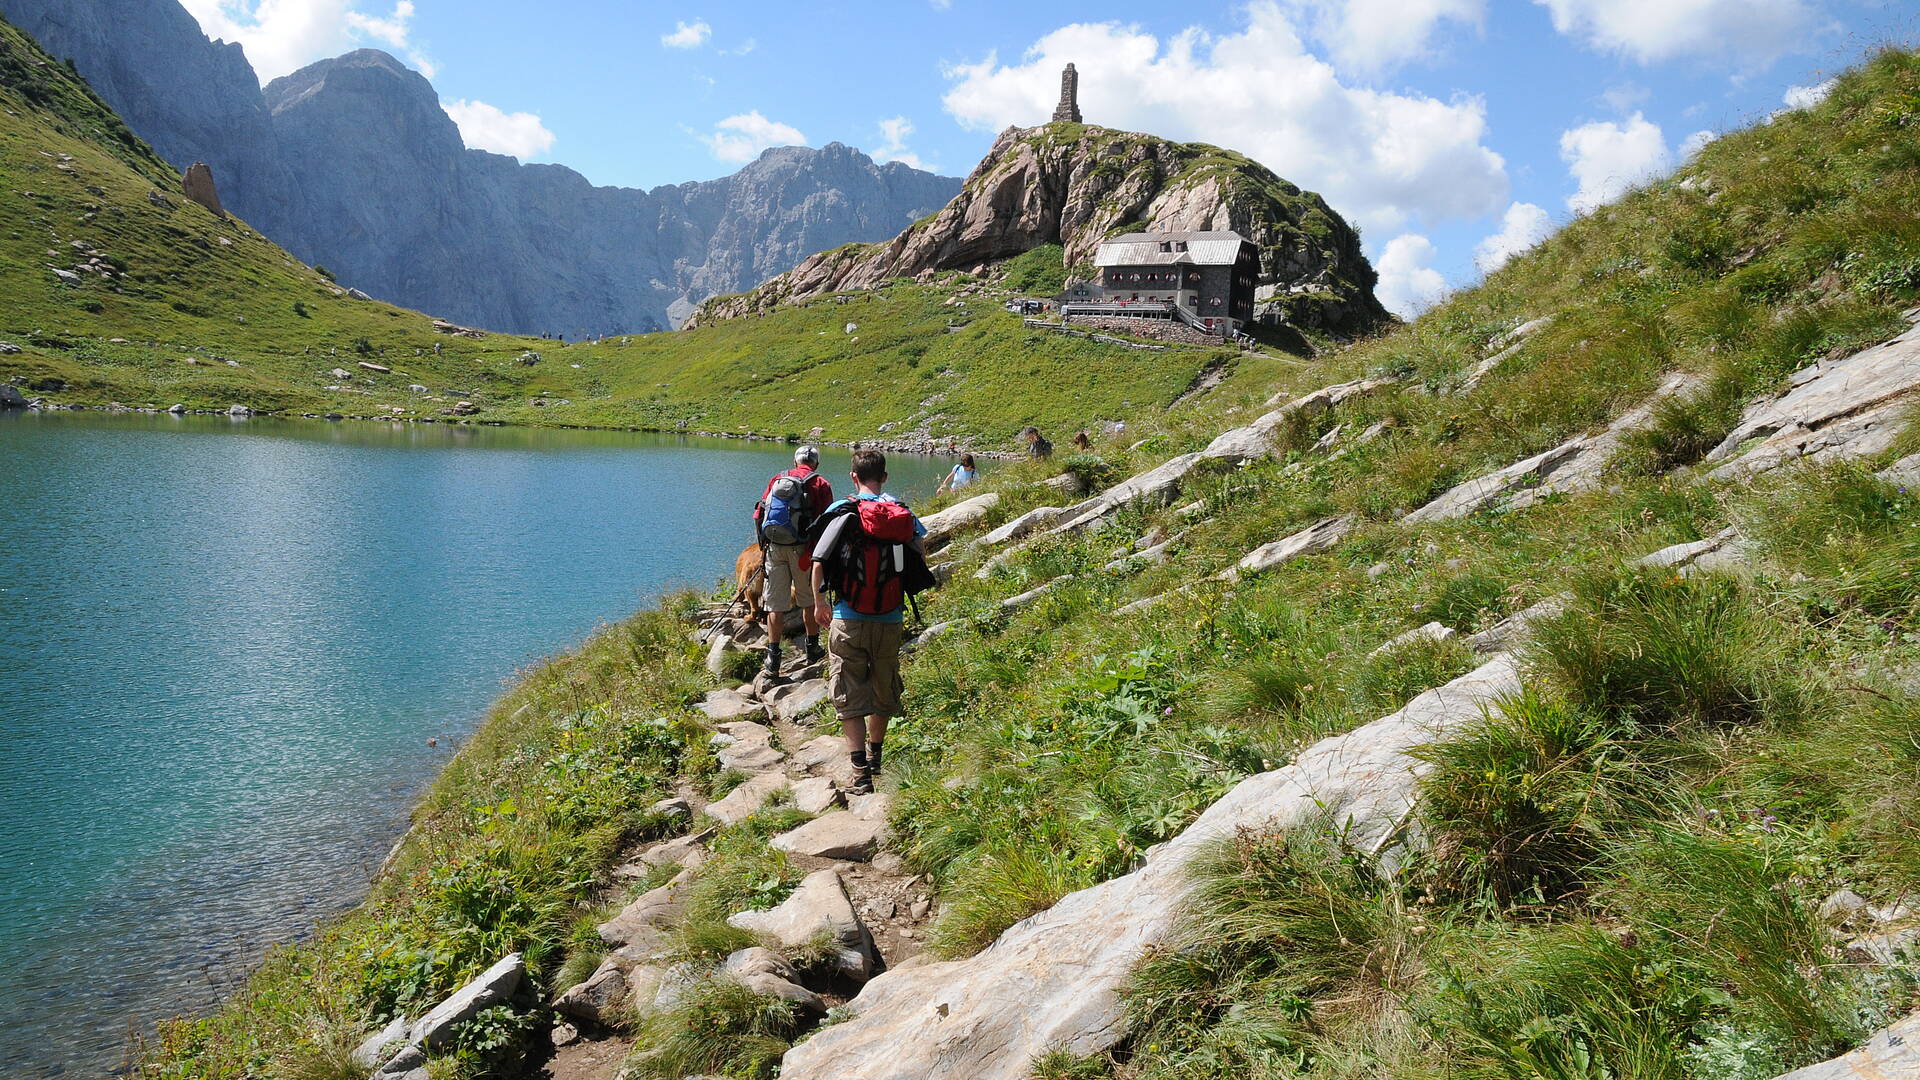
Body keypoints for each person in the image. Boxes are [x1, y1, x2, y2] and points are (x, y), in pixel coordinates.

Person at [810, 450, 926, 795]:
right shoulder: (901, 512)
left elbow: (817, 561)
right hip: (890, 617)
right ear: (885, 477)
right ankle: (876, 757)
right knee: (883, 686)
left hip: (849, 617)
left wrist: (818, 602)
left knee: (848, 691)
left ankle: (860, 772)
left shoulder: (842, 511)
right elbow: (919, 552)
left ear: (853, 476)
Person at [754, 445, 833, 678]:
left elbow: (760, 513)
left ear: (795, 461)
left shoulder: (778, 478)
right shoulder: (820, 484)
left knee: (775, 605)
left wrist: (763, 547)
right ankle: (812, 649)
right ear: (816, 464)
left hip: (774, 548)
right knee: (808, 601)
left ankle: (773, 659)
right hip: (804, 552)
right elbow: (827, 522)